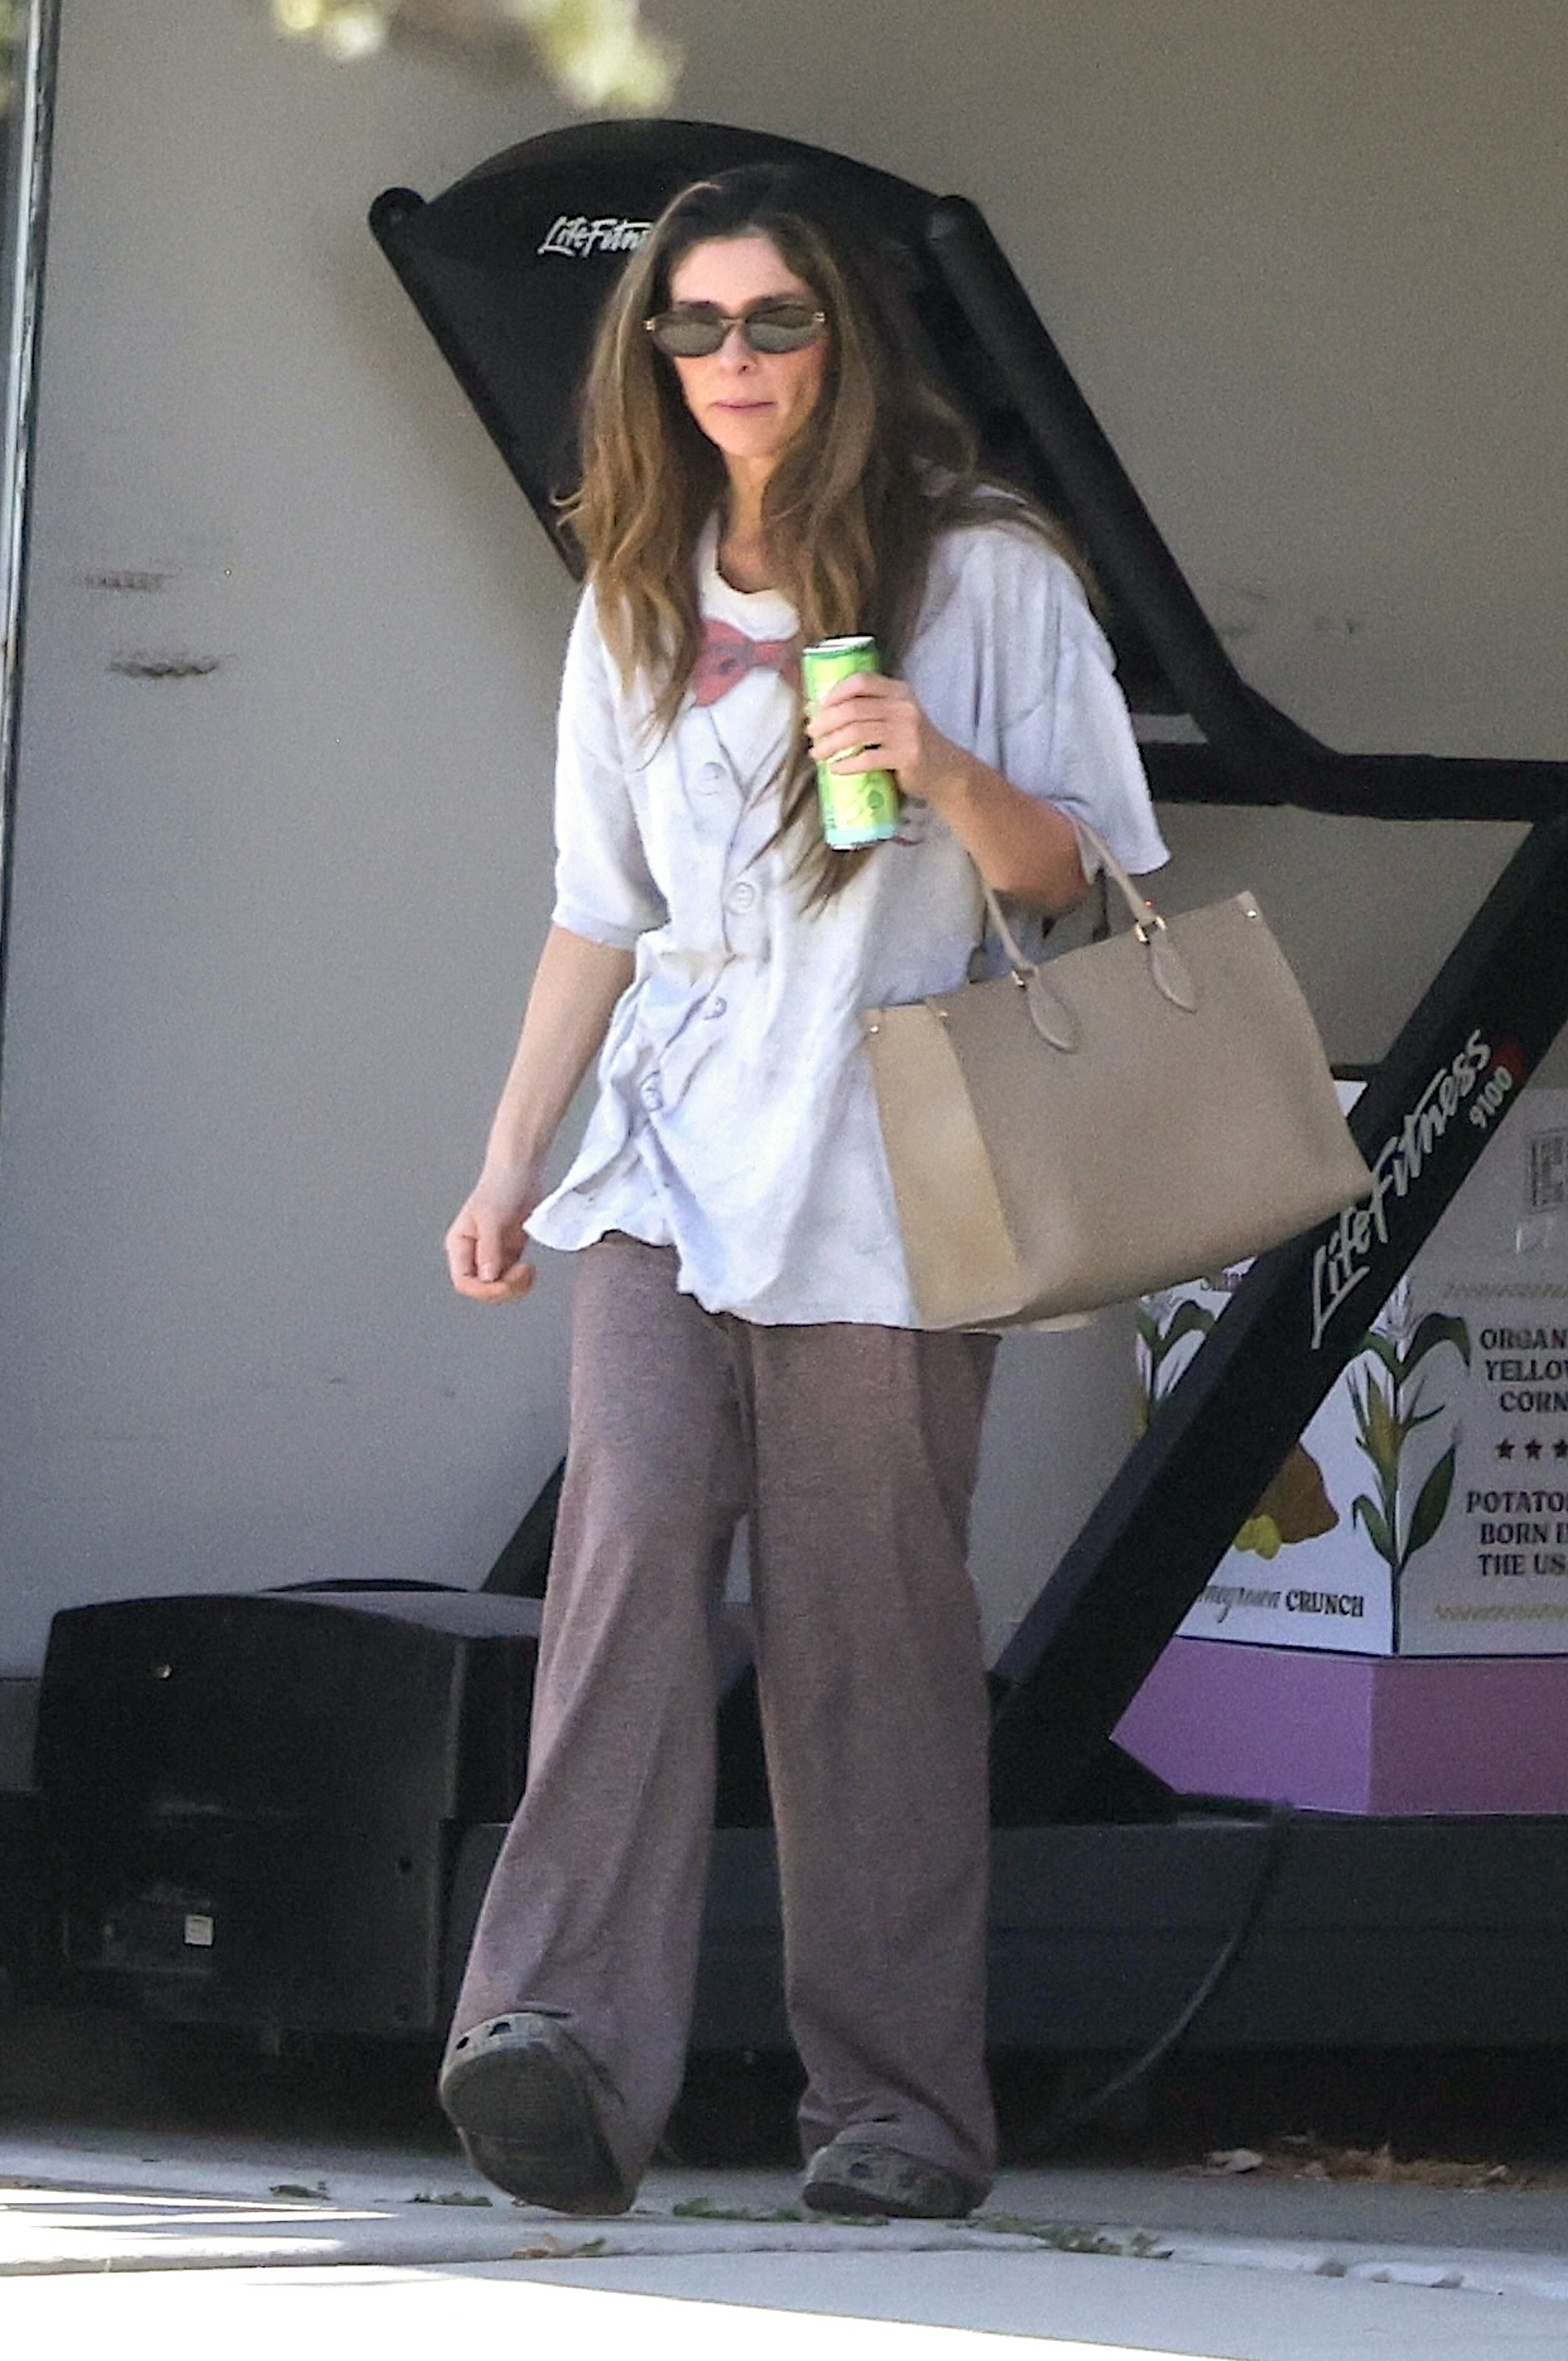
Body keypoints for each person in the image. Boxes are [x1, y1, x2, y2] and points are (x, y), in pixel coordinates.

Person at [436, 161, 1168, 2222]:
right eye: (695, 326)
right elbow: (600, 911)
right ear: (652, 355)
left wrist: (936, 764)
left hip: (888, 1168)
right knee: (623, 1573)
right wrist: (509, 1162)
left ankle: (899, 2111)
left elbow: (1084, 883)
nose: (733, 360)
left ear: (844, 340)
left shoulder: (989, 573)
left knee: (871, 1636)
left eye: (773, 321)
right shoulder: (635, 588)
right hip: (666, 1167)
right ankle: (558, 2044)